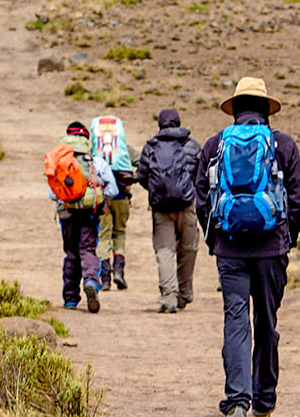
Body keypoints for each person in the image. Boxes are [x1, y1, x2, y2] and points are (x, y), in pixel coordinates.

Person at [196, 77, 300, 417]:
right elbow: (298, 200)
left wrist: (215, 239)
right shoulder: (283, 144)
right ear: (266, 110)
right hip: (272, 246)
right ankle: (264, 401)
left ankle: (237, 404)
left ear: (236, 109)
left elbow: (201, 198)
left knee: (236, 320)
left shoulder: (214, 145)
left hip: (229, 247)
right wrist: (289, 237)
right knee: (266, 321)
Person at [136, 107, 202, 312]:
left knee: (165, 251)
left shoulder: (151, 147)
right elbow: (200, 176)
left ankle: (168, 297)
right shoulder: (191, 146)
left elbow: (142, 176)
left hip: (161, 209)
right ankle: (185, 293)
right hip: (187, 205)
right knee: (188, 249)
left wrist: (157, 192)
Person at [49, 121, 105, 311]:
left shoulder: (61, 163)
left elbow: (52, 193)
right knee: (88, 249)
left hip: (67, 215)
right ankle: (91, 281)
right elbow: (111, 189)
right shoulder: (96, 162)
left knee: (71, 253)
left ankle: (71, 299)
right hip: (90, 214)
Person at [90, 113, 137, 291]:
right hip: (122, 198)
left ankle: (105, 278)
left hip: (102, 200)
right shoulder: (125, 149)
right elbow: (142, 162)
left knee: (103, 236)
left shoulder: (93, 150)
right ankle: (119, 272)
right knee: (119, 233)